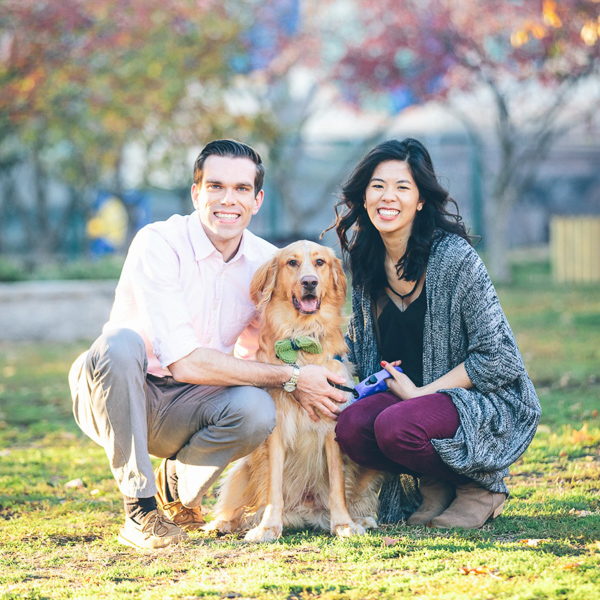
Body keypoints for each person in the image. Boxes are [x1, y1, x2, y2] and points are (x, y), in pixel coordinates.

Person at [68, 139, 348, 550]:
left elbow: (272, 344)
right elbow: (181, 361)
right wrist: (292, 377)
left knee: (257, 409)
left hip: (191, 405)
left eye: (240, 189)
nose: (227, 200)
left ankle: (177, 478)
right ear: (196, 192)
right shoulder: (158, 243)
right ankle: (140, 509)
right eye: (215, 186)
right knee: (118, 343)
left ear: (257, 199)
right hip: (121, 392)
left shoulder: (272, 264)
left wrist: (319, 373)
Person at [331, 138, 541, 529]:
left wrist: (421, 394)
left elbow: (498, 359)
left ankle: (480, 488)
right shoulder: (366, 261)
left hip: (477, 401)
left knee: (396, 425)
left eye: (402, 187)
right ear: (364, 195)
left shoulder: (455, 258)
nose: (387, 197)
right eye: (377, 185)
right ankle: (437, 484)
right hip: (407, 405)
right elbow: (358, 351)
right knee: (352, 427)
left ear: (421, 200)